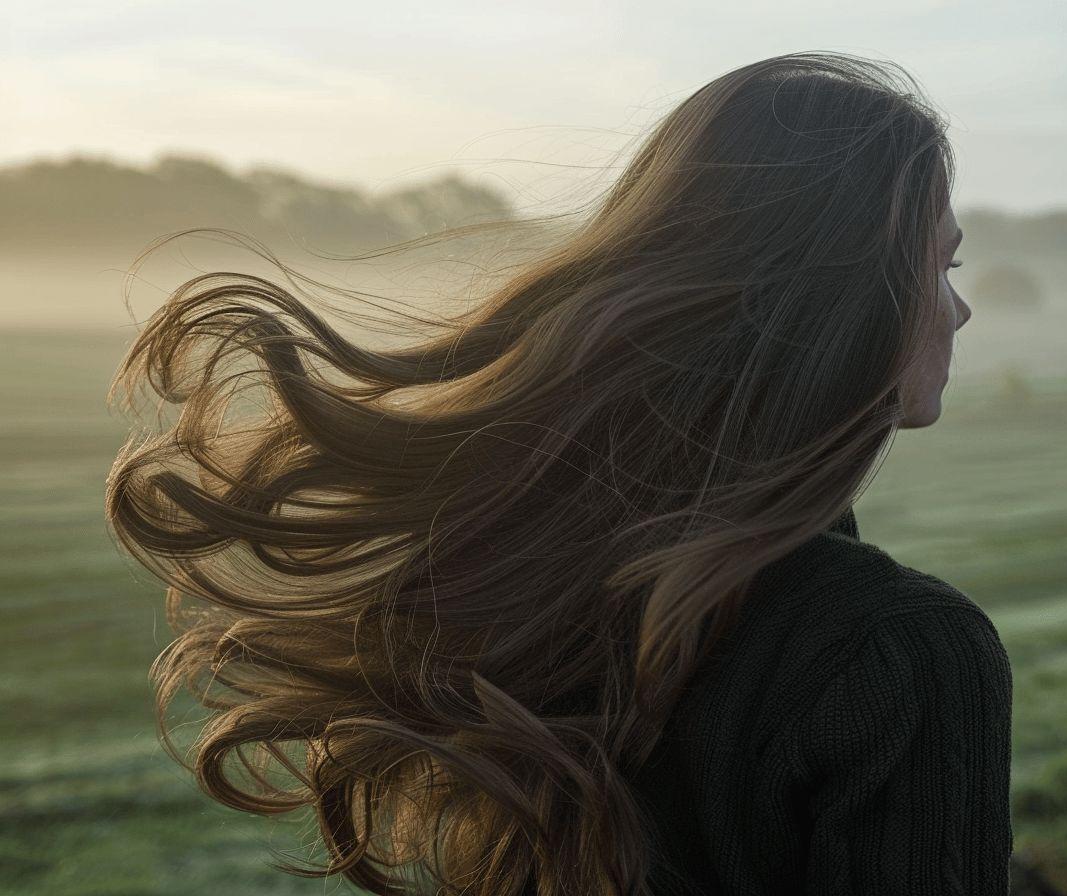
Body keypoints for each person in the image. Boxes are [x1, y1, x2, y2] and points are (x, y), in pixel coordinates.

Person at [105, 49, 1009, 896]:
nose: (960, 309)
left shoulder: (577, 569)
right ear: (850, 300)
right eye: (943, 263)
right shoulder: (903, 650)